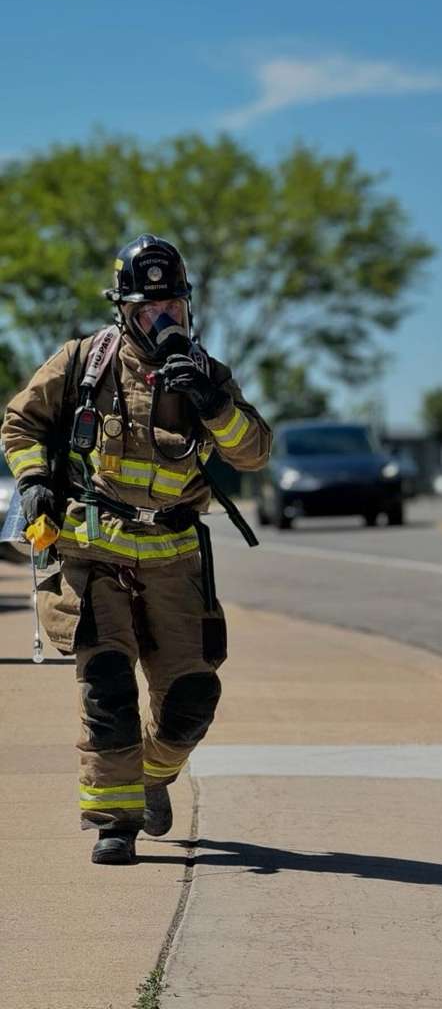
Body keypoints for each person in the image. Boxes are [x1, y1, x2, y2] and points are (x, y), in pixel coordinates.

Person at [1, 234, 271, 864]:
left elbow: (254, 451)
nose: (163, 320)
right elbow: (21, 423)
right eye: (149, 310)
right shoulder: (81, 363)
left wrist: (213, 404)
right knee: (108, 687)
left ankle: (151, 777)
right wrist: (36, 480)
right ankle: (112, 820)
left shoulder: (209, 376)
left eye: (172, 307)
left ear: (188, 307)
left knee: (192, 701)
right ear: (123, 310)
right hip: (91, 555)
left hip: (174, 560)